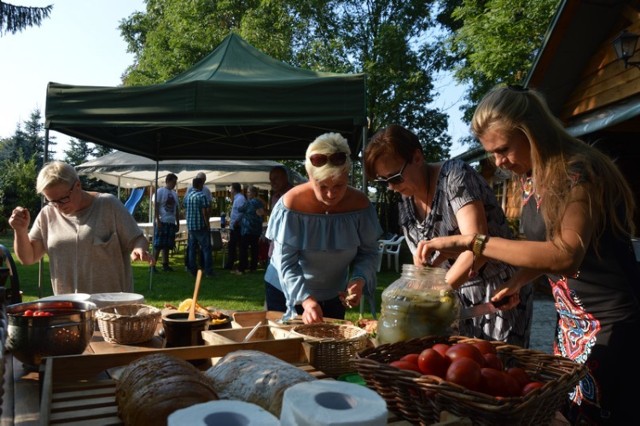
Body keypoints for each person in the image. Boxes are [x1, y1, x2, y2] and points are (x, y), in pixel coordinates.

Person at [414, 85, 640, 425]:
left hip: (613, 323)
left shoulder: (580, 172)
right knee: (572, 414)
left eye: (503, 149)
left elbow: (565, 256)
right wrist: (520, 281)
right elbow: (544, 248)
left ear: (531, 131)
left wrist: (473, 242)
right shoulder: (531, 177)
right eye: (491, 153)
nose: (499, 161)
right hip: (571, 325)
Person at [364, 124, 532, 348]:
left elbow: (477, 247)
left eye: (395, 177)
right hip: (448, 303)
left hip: (496, 294)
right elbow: (424, 263)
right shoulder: (406, 200)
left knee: (496, 371)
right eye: (383, 182)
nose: (392, 187)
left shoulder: (455, 176)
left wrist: (427, 297)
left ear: (417, 157)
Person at [265, 132, 382, 323]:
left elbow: (368, 253)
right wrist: (306, 300)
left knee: (329, 349)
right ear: (310, 177)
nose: (330, 194)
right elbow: (286, 262)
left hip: (334, 293)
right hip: (284, 290)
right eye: (322, 186)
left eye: (339, 185)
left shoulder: (360, 205)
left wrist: (358, 280)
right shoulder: (292, 204)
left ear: (348, 175)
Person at [8, 161, 151, 294]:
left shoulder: (108, 205)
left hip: (112, 310)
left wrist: (139, 248)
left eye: (63, 199)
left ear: (77, 186)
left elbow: (138, 239)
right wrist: (20, 231)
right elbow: (28, 258)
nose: (59, 206)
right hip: (70, 310)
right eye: (52, 201)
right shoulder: (47, 214)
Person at [263, 166, 294, 311]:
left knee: (288, 288)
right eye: (271, 180)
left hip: (290, 250)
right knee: (273, 285)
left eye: (276, 179)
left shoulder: (295, 195)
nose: (272, 183)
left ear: (285, 177)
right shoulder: (274, 197)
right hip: (273, 250)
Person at [184, 177, 213, 277]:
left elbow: (185, 209)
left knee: (192, 249)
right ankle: (208, 271)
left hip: (191, 226)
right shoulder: (202, 196)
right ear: (201, 185)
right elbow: (204, 213)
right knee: (206, 249)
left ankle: (192, 270)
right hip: (201, 226)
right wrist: (207, 224)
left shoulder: (188, 196)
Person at [151, 173, 180, 272]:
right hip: (162, 221)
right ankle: (152, 266)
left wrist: (178, 223)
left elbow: (176, 209)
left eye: (175, 182)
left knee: (167, 245)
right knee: (158, 244)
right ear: (168, 181)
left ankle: (165, 264)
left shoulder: (175, 194)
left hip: (171, 222)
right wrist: (158, 220)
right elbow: (155, 206)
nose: (174, 184)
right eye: (173, 182)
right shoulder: (160, 191)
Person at [236, 185, 265, 275]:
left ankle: (242, 268)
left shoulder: (249, 202)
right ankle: (253, 267)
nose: (247, 194)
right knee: (254, 249)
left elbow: (240, 209)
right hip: (256, 229)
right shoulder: (260, 202)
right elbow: (262, 214)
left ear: (253, 193)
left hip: (247, 229)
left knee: (243, 249)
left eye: (248, 192)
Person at [224, 183, 246, 271]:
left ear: (234, 189)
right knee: (232, 245)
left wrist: (236, 221)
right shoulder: (237, 198)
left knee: (237, 246)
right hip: (234, 226)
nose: (230, 190)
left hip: (238, 226)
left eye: (231, 188)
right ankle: (231, 264)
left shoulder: (240, 198)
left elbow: (241, 212)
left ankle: (239, 265)